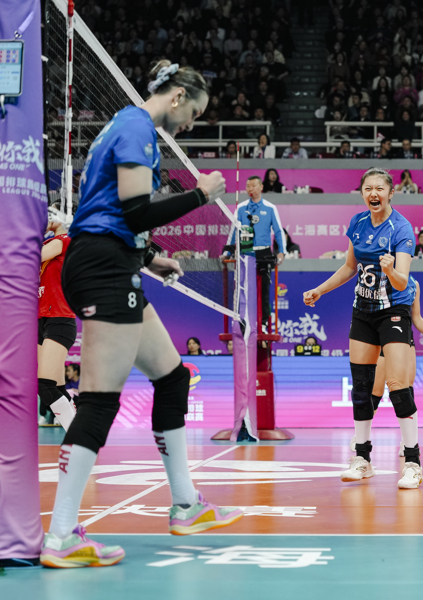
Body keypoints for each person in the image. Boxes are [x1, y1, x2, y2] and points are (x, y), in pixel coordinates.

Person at [42, 60, 241, 569]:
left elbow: (110, 211)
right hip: (103, 267)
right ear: (177, 98)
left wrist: (150, 257)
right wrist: (202, 194)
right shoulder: (136, 127)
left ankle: (187, 505)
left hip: (115, 261)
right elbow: (133, 213)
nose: (192, 124)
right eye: (194, 113)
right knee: (98, 402)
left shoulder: (125, 125)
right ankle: (60, 536)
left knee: (173, 378)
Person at [303, 168, 423, 489]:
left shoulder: (401, 229)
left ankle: (412, 463)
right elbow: (349, 267)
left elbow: (402, 281)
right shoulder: (357, 223)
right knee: (361, 387)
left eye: (380, 188)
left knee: (397, 385)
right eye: (368, 188)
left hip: (393, 310)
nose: (374, 193)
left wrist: (390, 269)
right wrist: (320, 290)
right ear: (362, 193)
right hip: (363, 311)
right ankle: (362, 459)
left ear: (390, 193)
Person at [353, 275, 423, 455]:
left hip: (404, 339)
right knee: (375, 393)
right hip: (383, 338)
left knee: (406, 389)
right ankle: (361, 436)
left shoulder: (414, 284)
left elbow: (416, 317)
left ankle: (407, 442)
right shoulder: (380, 277)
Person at [223, 176, 286, 325]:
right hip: (245, 253)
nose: (250, 188)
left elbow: (279, 231)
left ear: (261, 187)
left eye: (253, 185)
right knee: (243, 289)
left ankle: (263, 323)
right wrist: (227, 252)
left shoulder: (270, 208)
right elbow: (234, 232)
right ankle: (242, 322)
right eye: (247, 186)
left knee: (264, 290)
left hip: (264, 254)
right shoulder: (241, 208)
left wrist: (282, 252)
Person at [38, 208, 78, 430]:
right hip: (40, 319)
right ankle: (80, 429)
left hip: (59, 319)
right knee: (56, 387)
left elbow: (32, 256)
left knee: (44, 386)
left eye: (48, 215)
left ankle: (78, 436)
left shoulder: (64, 241)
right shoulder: (47, 244)